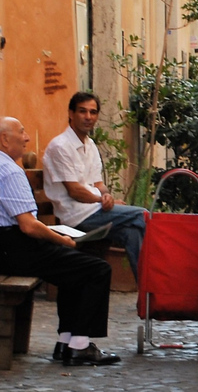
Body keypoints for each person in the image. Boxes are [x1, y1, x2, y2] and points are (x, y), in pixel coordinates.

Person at [0, 116, 120, 366]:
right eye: (21, 132)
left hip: (7, 247)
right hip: (15, 249)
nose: (27, 138)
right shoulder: (10, 171)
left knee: (74, 269)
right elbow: (29, 226)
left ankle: (66, 341)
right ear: (4, 139)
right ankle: (79, 345)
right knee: (97, 269)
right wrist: (63, 240)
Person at [43, 92, 146, 280]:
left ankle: (148, 294)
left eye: (93, 112)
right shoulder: (60, 146)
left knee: (132, 232)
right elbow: (75, 191)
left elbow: (98, 183)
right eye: (82, 111)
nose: (88, 117)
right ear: (71, 113)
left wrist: (107, 196)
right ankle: (167, 278)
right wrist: (102, 199)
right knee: (143, 215)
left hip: (95, 211)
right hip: (76, 217)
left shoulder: (89, 145)